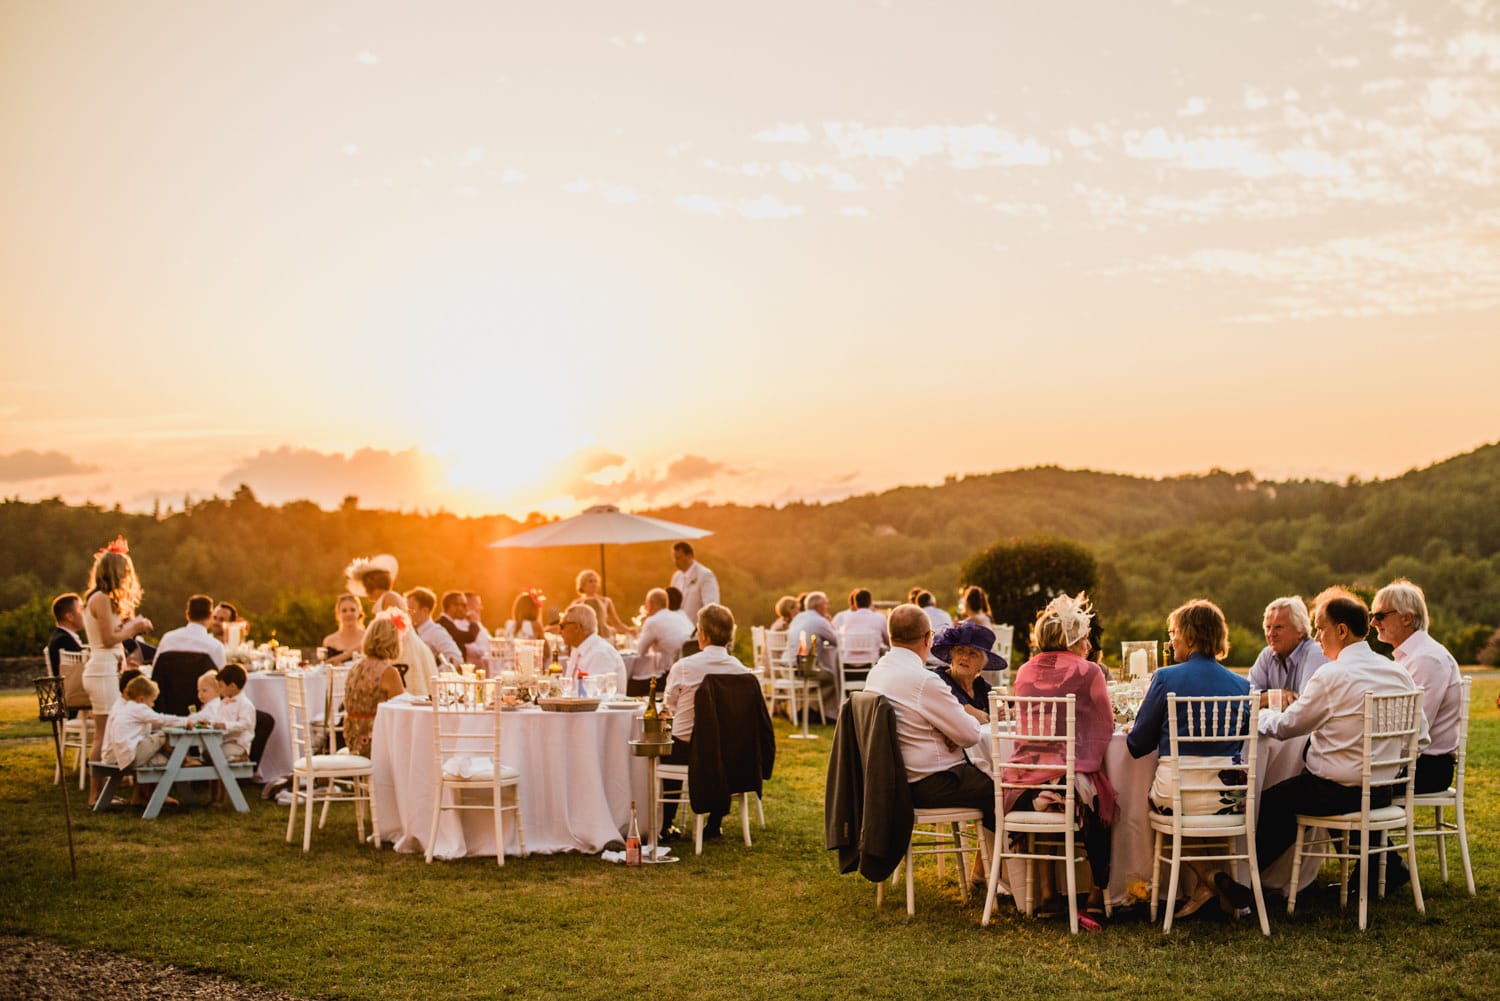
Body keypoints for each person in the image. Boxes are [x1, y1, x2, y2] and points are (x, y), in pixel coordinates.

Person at [1253, 591, 1427, 883]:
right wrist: (1385, 765)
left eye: (1321, 628)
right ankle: (1381, 867)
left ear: (1342, 630)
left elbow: (1286, 728)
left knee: (1272, 802)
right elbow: (1421, 738)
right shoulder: (1397, 673)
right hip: (1385, 789)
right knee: (1306, 787)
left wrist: (1261, 716)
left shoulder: (1331, 675)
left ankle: (1244, 880)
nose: (1317, 637)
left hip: (1338, 792)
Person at [1126, 599, 1252, 918]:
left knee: (1170, 803)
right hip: (1228, 800)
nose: (1170, 641)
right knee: (1201, 804)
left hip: (1176, 797)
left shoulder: (1167, 678)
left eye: (1173, 633)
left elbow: (1137, 745)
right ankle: (1213, 881)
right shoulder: (1243, 686)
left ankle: (1208, 879)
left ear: (1191, 637)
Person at [1005, 592, 1117, 917]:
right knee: (1099, 799)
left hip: (1022, 787)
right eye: (1082, 634)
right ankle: (1097, 893)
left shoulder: (1024, 671)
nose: (1086, 641)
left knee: (1051, 788)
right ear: (1072, 637)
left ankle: (1046, 893)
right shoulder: (1089, 671)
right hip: (1066, 788)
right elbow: (1105, 723)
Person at [864, 604, 993, 868]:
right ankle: (1010, 878)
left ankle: (990, 873)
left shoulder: (877, 673)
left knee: (995, 785)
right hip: (930, 784)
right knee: (1006, 788)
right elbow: (969, 735)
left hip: (894, 783)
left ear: (890, 637)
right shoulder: (924, 681)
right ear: (927, 638)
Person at [658, 603, 755, 840]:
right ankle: (714, 823)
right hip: (729, 752)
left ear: (703, 634)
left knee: (667, 744)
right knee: (718, 747)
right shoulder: (743, 672)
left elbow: (667, 708)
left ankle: (666, 822)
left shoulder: (684, 668)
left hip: (688, 749)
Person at [1372, 578, 1463, 795]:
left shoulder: (1426, 659)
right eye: (1372, 616)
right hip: (1413, 761)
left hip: (1427, 767)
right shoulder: (1411, 655)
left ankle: (1364, 828)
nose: (1373, 623)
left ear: (1407, 618)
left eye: (1380, 616)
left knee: (1344, 784)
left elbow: (1411, 731)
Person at [82, 537, 153, 806]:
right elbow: (109, 638)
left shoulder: (103, 599)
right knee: (103, 732)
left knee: (108, 731)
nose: (126, 577)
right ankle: (95, 795)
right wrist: (133, 628)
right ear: (113, 572)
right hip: (102, 671)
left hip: (107, 668)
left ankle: (104, 790)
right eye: (124, 571)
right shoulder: (99, 598)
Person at [342, 613, 407, 758]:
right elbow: (401, 710)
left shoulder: (356, 666)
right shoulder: (388, 672)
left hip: (352, 737)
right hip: (372, 740)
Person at [1248, 596, 1328, 709]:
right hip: (1274, 725)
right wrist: (1275, 696)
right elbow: (1246, 701)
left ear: (1300, 630)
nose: (1271, 633)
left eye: (1278, 627)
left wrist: (1264, 701)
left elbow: (1305, 708)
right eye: (1268, 627)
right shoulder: (1267, 655)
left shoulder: (1315, 653)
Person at [100, 675, 182, 770]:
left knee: (165, 761)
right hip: (127, 756)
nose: (153, 705)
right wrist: (185, 721)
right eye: (152, 701)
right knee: (164, 736)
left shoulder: (125, 708)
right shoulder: (138, 708)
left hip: (123, 757)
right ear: (142, 699)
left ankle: (182, 761)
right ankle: (185, 759)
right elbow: (161, 719)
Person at [782, 591, 841, 720]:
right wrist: (830, 623)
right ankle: (815, 710)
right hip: (802, 669)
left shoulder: (798, 618)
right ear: (818, 607)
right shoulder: (819, 621)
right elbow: (837, 641)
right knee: (832, 678)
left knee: (822, 674)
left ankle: (812, 710)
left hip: (785, 667)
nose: (828, 607)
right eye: (826, 604)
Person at [930, 621, 1004, 724]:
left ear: (981, 665)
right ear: (952, 656)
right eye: (960, 650)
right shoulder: (941, 680)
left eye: (972, 653)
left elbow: (1008, 706)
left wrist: (1006, 712)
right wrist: (991, 717)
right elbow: (967, 712)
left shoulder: (979, 684)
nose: (964, 657)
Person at [559, 603, 627, 694]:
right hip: (582, 706)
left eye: (562, 626)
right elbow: (569, 689)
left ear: (576, 627)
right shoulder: (577, 650)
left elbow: (590, 694)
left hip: (602, 707)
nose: (559, 631)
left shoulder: (601, 653)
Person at [154, 594, 227, 669]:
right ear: (210, 616)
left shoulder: (167, 639)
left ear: (187, 615)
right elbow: (221, 679)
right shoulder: (215, 647)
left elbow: (155, 671)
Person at [636, 587, 695, 672]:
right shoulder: (679, 616)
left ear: (651, 604)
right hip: (690, 665)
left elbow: (640, 651)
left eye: (646, 604)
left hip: (672, 670)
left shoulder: (653, 621)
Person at [406, 587, 464, 665]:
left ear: (424, 611)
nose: (407, 613)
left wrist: (434, 673)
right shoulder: (410, 631)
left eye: (411, 609)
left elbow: (456, 659)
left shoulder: (436, 632)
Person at [670, 542, 720, 622]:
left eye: (678, 558)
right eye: (674, 558)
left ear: (689, 556)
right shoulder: (676, 577)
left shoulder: (705, 575)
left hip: (696, 630)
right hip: (677, 629)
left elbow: (711, 607)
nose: (675, 561)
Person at [573, 569, 629, 635]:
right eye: (590, 581)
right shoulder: (576, 604)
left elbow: (616, 623)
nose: (594, 584)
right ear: (582, 584)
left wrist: (629, 630)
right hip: (584, 637)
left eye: (596, 581)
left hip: (603, 636)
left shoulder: (606, 601)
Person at [437, 591, 483, 663]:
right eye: (464, 605)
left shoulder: (448, 623)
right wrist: (474, 623)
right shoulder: (444, 624)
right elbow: (469, 637)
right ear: (452, 607)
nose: (467, 609)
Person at [321, 593, 366, 665]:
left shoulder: (368, 637)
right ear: (338, 614)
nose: (348, 614)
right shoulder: (329, 641)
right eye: (344, 611)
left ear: (359, 612)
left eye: (352, 610)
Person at [47, 592, 85, 675]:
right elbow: (84, 665)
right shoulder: (63, 640)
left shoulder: (59, 636)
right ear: (69, 617)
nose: (84, 614)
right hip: (71, 686)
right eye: (81, 610)